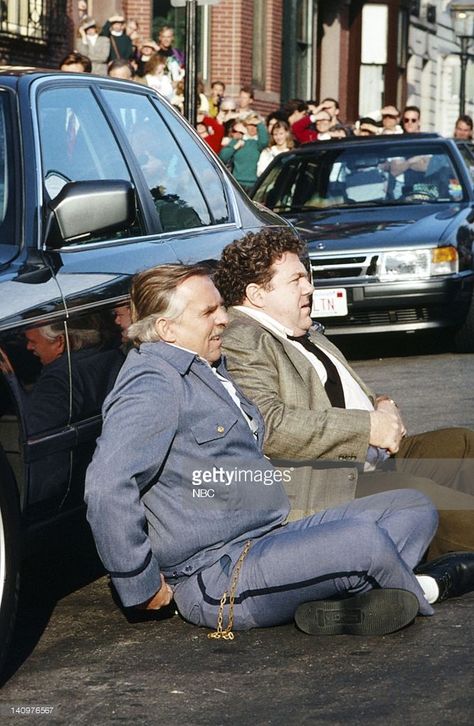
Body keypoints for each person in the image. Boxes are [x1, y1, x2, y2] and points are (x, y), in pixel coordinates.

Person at [84, 263, 472, 639]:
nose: (224, 318)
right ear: (166, 328)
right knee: (362, 541)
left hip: (272, 536)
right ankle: (426, 589)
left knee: (411, 506)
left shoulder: (208, 367)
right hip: (218, 574)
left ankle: (347, 599)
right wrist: (141, 584)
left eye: (220, 306)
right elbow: (107, 485)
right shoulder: (153, 382)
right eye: (208, 311)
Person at [214, 229, 474, 558]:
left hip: (378, 457)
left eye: (307, 277)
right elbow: (270, 426)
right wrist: (369, 426)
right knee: (432, 500)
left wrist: (383, 405)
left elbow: (341, 391)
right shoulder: (243, 339)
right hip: (332, 481)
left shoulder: (300, 328)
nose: (309, 287)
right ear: (256, 294)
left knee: (462, 444)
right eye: (296, 280)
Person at [219, 116, 269, 192]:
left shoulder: (258, 144)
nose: (252, 128)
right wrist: (235, 147)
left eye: (255, 126)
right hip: (236, 183)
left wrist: (260, 124)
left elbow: (264, 142)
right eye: (250, 125)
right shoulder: (237, 141)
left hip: (253, 184)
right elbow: (222, 157)